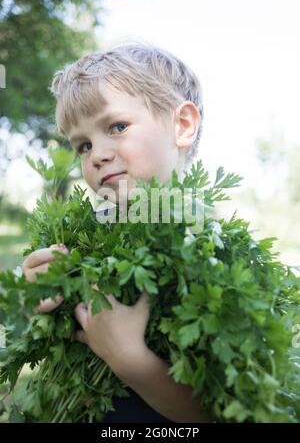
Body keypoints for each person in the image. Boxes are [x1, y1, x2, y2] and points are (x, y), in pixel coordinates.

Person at [21, 40, 208, 423]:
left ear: (182, 125)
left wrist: (130, 361)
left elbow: (218, 412)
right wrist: (42, 296)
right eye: (83, 144)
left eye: (117, 127)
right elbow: (58, 330)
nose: (97, 154)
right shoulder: (89, 235)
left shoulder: (204, 245)